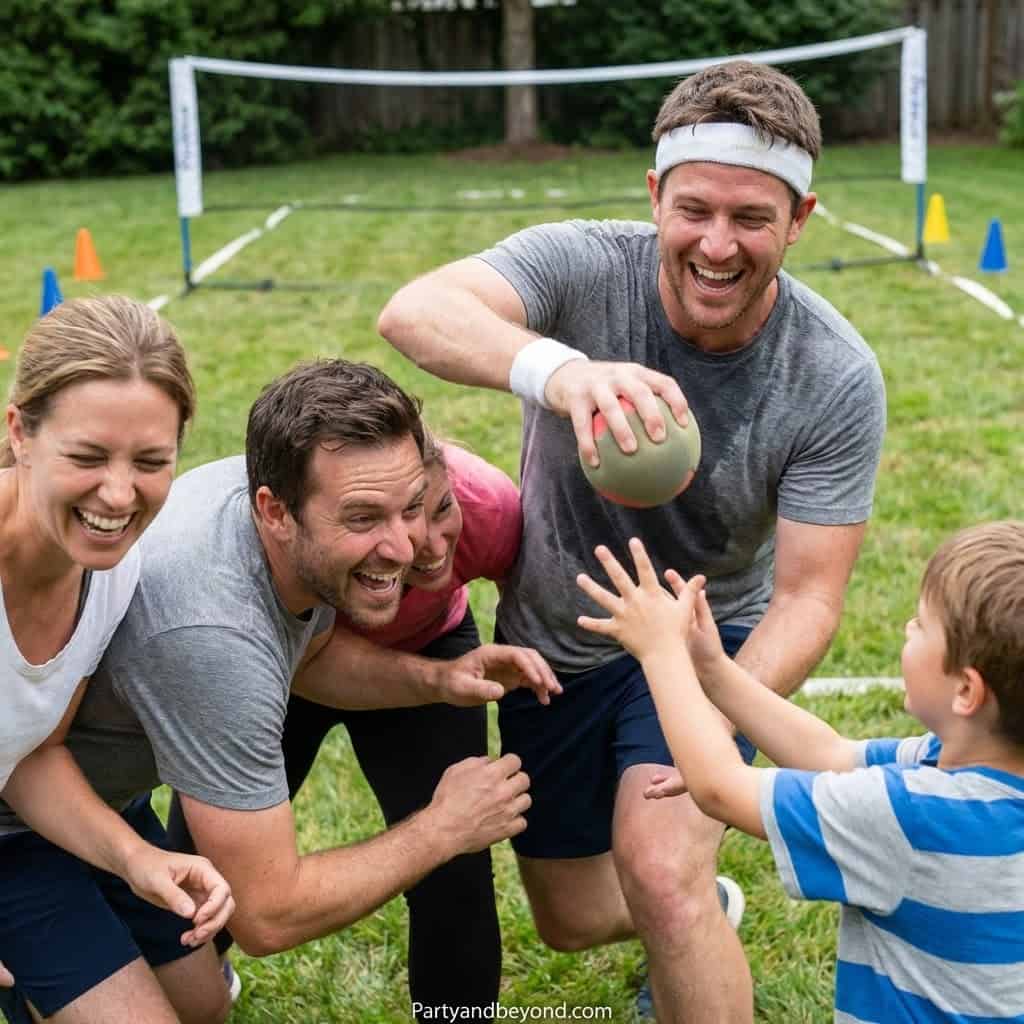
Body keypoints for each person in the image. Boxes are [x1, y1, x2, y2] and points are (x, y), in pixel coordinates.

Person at [377, 60, 886, 1023]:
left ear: (801, 219)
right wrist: (562, 374)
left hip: (702, 642)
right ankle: (699, 908)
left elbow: (809, 598)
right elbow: (415, 311)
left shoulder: (833, 375)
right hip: (556, 645)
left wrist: (715, 709)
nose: (717, 245)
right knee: (570, 919)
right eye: (694, 210)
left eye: (752, 218)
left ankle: (684, 903)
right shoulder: (584, 265)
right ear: (655, 196)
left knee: (659, 866)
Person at [9, 359, 557, 1004]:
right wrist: (442, 827)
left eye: (411, 507)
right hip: (20, 824)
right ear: (275, 511)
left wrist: (435, 679)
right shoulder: (214, 637)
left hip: (98, 806)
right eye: (363, 519)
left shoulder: (271, 508)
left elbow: (312, 659)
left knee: (203, 1007)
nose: (407, 549)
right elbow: (268, 914)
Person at [576, 526, 1024, 1023]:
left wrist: (662, 653)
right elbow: (829, 754)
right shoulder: (950, 763)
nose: (906, 628)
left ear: (966, 691)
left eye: (921, 624)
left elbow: (719, 787)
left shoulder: (914, 816)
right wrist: (714, 670)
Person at [166, 426, 525, 1020]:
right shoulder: (242, 616)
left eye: (434, 509)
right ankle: (188, 977)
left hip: (429, 651)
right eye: (372, 517)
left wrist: (475, 680)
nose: (422, 547)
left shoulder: (488, 505)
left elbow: (532, 604)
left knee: (455, 867)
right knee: (205, 863)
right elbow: (266, 909)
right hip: (285, 658)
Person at [0, 296, 235, 1024]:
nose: (118, 494)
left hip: (29, 819)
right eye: (87, 456)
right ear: (20, 432)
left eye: (151, 461)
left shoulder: (111, 560)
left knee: (203, 1011)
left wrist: (137, 858)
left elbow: (32, 754)